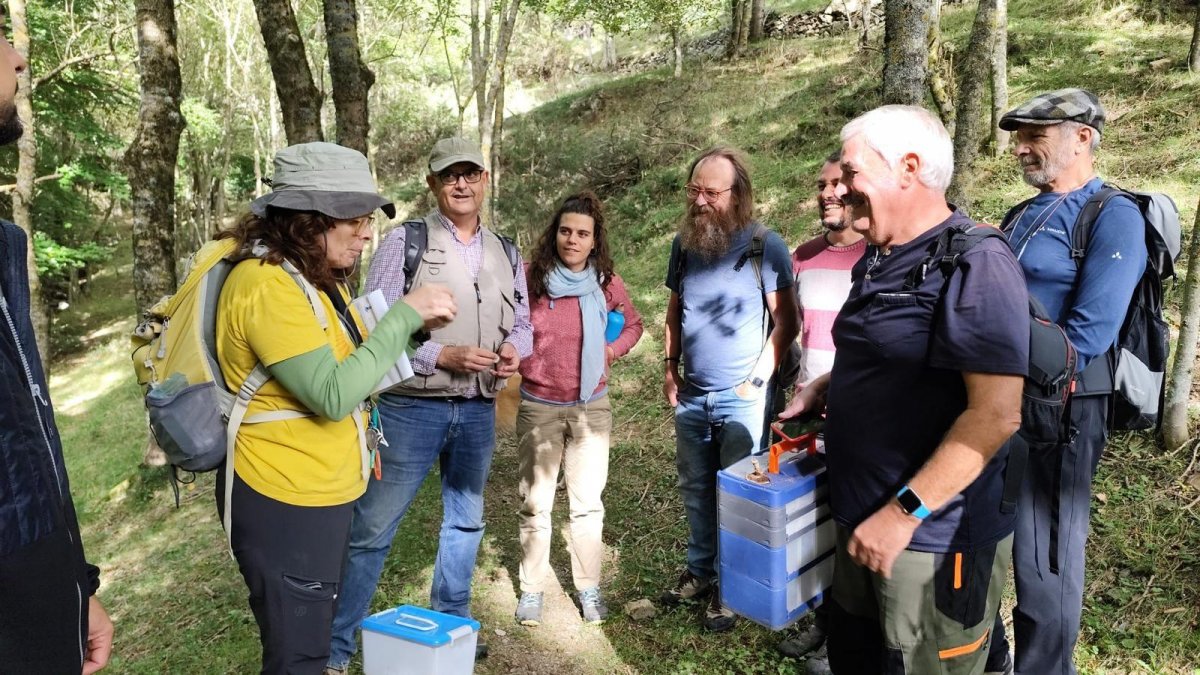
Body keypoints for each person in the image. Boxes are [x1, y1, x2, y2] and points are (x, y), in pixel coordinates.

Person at [781, 105, 1028, 673]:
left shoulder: (975, 263)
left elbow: (995, 415)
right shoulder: (879, 257)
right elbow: (886, 353)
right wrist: (829, 385)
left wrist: (902, 514)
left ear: (908, 169)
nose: (838, 189)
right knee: (858, 658)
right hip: (859, 520)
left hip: (929, 539)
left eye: (850, 172)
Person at [213, 141, 456, 674]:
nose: (368, 233)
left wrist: (409, 333)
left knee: (311, 644)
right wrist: (402, 315)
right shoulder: (266, 284)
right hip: (283, 495)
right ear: (308, 220)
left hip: (319, 489)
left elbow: (354, 365)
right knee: (299, 656)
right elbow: (332, 395)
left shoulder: (313, 281)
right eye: (356, 221)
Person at [328, 137, 533, 670]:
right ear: (433, 185)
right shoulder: (405, 241)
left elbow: (527, 324)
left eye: (470, 174)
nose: (461, 184)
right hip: (410, 410)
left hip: (479, 410)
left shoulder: (508, 251)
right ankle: (335, 647)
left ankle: (451, 628)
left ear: (486, 179)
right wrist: (443, 354)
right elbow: (371, 323)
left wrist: (513, 349)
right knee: (372, 529)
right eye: (450, 176)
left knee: (465, 522)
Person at [984, 89, 1147, 675]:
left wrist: (987, 320)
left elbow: (1087, 337)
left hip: (1063, 411)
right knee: (990, 540)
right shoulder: (1023, 213)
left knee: (1045, 559)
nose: (1021, 149)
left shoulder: (1113, 214)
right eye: (1019, 138)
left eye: (1035, 137)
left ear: (1083, 136)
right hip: (1000, 400)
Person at [0, 21, 114, 674]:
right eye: (0, 39)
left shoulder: (3, 244)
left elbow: (25, 450)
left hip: (44, 601)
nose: (19, 57)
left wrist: (76, 585)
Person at [661, 146, 799, 632]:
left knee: (740, 498)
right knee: (696, 488)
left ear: (737, 194)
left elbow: (786, 321)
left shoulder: (765, 245)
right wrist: (669, 367)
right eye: (694, 190)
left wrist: (755, 382)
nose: (700, 201)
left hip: (742, 398)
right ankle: (700, 572)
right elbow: (676, 311)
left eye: (712, 193)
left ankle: (733, 588)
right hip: (692, 395)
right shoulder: (684, 244)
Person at [512, 191, 644, 627]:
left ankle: (588, 588)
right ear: (555, 234)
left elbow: (634, 324)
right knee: (536, 503)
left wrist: (609, 350)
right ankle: (532, 590)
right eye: (566, 230)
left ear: (594, 240)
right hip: (540, 406)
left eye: (582, 233)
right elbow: (509, 323)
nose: (572, 239)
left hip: (591, 408)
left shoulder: (606, 281)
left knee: (588, 505)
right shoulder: (529, 277)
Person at [775, 150, 864, 671]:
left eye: (838, 183)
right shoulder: (802, 255)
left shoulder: (878, 255)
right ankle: (824, 622)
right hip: (809, 405)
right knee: (817, 524)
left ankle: (847, 642)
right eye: (821, 184)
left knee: (853, 527)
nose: (828, 193)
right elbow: (789, 334)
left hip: (858, 408)